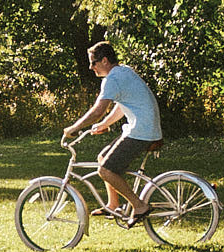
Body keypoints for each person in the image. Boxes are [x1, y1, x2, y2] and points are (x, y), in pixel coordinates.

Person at [63, 41, 161, 225]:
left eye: (93, 63)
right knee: (103, 158)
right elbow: (122, 107)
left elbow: (98, 110)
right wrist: (103, 124)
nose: (91, 67)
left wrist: (74, 128)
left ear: (105, 60)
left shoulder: (112, 79)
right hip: (143, 129)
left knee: (105, 170)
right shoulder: (123, 72)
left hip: (141, 131)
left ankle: (139, 206)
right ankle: (113, 204)